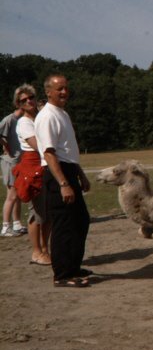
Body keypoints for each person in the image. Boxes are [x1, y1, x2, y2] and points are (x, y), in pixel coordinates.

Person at [34, 75, 92, 288]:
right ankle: (62, 274)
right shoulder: (47, 116)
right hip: (57, 174)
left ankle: (73, 266)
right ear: (48, 92)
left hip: (69, 169)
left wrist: (80, 175)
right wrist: (63, 183)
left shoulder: (63, 114)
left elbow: (68, 150)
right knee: (64, 225)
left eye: (66, 88)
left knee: (80, 221)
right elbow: (49, 154)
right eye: (59, 89)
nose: (64, 92)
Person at [14, 85, 51, 265]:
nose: (28, 101)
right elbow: (39, 146)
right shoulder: (24, 123)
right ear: (18, 104)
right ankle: (37, 252)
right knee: (37, 213)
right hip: (33, 166)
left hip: (44, 164)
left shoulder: (39, 118)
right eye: (23, 100)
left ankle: (46, 249)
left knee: (47, 212)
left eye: (31, 97)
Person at [1, 101, 26, 238]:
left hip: (19, 162)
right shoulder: (9, 119)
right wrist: (7, 147)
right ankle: (5, 227)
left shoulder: (21, 120)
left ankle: (17, 224)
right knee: (11, 195)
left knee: (18, 195)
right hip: (11, 162)